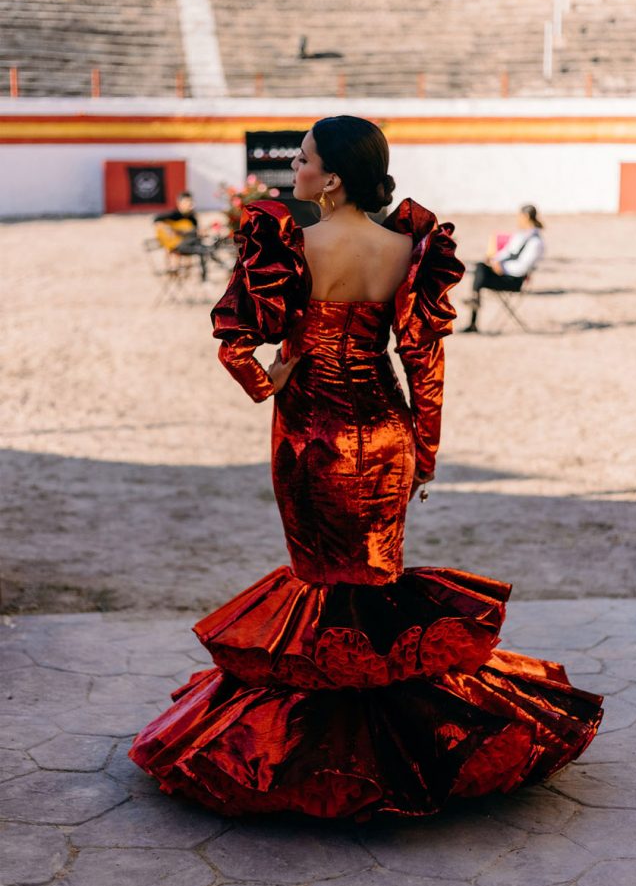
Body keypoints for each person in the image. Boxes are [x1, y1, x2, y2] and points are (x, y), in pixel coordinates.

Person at [130, 117, 601, 820]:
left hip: (308, 437)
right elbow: (425, 364)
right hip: (384, 433)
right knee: (377, 587)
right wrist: (426, 451)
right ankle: (400, 751)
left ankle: (318, 756)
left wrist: (270, 378)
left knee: (320, 583)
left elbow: (233, 343)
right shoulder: (409, 246)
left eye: (304, 158)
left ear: (334, 176)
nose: (294, 167)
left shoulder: (286, 241)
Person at [462, 204, 545, 332]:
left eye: (520, 216)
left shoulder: (537, 242)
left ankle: (474, 308)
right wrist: (494, 261)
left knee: (481, 273)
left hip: (514, 280)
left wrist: (502, 268)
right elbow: (507, 252)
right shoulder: (522, 235)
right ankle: (474, 305)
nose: (518, 219)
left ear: (526, 217)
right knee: (481, 266)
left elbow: (523, 267)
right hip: (504, 272)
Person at [154, 191, 219, 282]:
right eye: (186, 202)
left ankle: (204, 275)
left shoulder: (192, 218)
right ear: (179, 204)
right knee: (198, 245)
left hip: (188, 244)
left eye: (190, 202)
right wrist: (168, 229)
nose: (189, 205)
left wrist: (201, 233)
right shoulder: (173, 214)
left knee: (201, 245)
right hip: (178, 244)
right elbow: (156, 220)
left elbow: (196, 233)